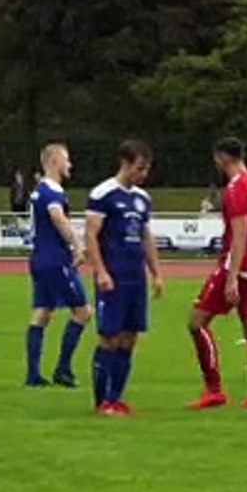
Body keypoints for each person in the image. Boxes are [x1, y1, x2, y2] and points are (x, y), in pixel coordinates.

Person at [187, 138, 247, 410]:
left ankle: (214, 389)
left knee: (197, 322)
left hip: (239, 265)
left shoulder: (237, 187)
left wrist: (232, 276)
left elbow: (240, 233)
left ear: (221, 157)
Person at [84, 141, 165, 414]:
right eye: (139, 168)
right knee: (110, 337)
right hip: (113, 277)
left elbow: (146, 236)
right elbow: (91, 235)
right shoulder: (103, 194)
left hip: (135, 278)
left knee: (130, 337)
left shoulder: (143, 199)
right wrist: (101, 271)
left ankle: (116, 397)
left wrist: (156, 273)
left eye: (146, 169)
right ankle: (102, 402)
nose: (143, 174)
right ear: (125, 163)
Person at [25, 144, 92, 388]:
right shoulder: (52, 191)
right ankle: (63, 369)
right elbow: (58, 217)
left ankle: (33, 374)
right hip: (55, 260)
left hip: (39, 258)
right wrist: (77, 246)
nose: (69, 165)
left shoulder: (39, 190)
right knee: (83, 312)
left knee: (42, 312)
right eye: (66, 160)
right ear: (54, 161)